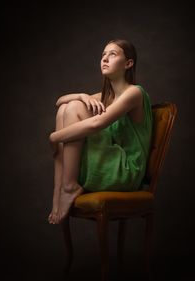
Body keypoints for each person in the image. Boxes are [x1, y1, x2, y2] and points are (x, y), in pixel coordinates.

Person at [48, 39, 152, 225]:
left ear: (128, 63)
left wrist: (54, 137)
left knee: (73, 109)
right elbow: (59, 101)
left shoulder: (134, 93)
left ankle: (69, 185)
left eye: (112, 54)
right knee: (65, 108)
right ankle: (60, 190)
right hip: (109, 162)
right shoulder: (107, 97)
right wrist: (82, 95)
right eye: (103, 55)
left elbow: (97, 123)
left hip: (126, 171)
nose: (105, 59)